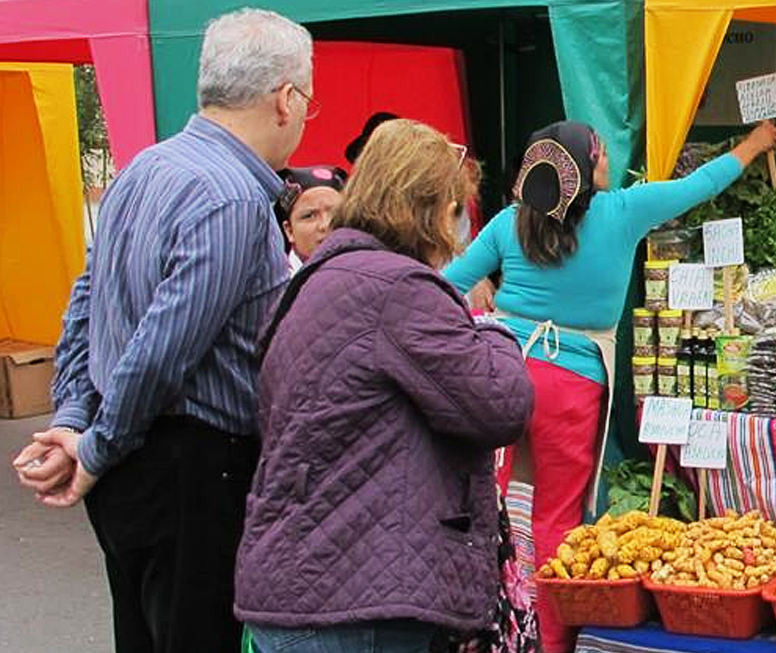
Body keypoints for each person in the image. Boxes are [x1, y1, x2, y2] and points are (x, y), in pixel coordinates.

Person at [10, 9, 313, 653]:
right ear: (285, 99)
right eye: (307, 99)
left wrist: (75, 418)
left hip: (140, 463)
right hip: (192, 469)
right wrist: (93, 443)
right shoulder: (231, 197)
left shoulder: (144, 170)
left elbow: (85, 303)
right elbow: (160, 350)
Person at [444, 119, 776, 652]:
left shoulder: (511, 222)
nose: (606, 161)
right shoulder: (623, 211)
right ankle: (551, 641)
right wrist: (753, 145)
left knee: (499, 505)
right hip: (570, 384)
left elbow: (446, 286)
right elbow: (700, 186)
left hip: (502, 370)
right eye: (599, 154)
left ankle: (489, 632)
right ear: (581, 170)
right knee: (557, 515)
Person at [237, 118, 534, 653]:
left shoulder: (322, 278)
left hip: (308, 581)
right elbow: (501, 404)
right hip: (354, 598)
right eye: (456, 210)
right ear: (432, 210)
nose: (459, 228)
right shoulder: (398, 290)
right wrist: (495, 332)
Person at [277, 165, 347, 269]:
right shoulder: (274, 281)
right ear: (289, 230)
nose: (325, 224)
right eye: (309, 216)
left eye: (335, 213)